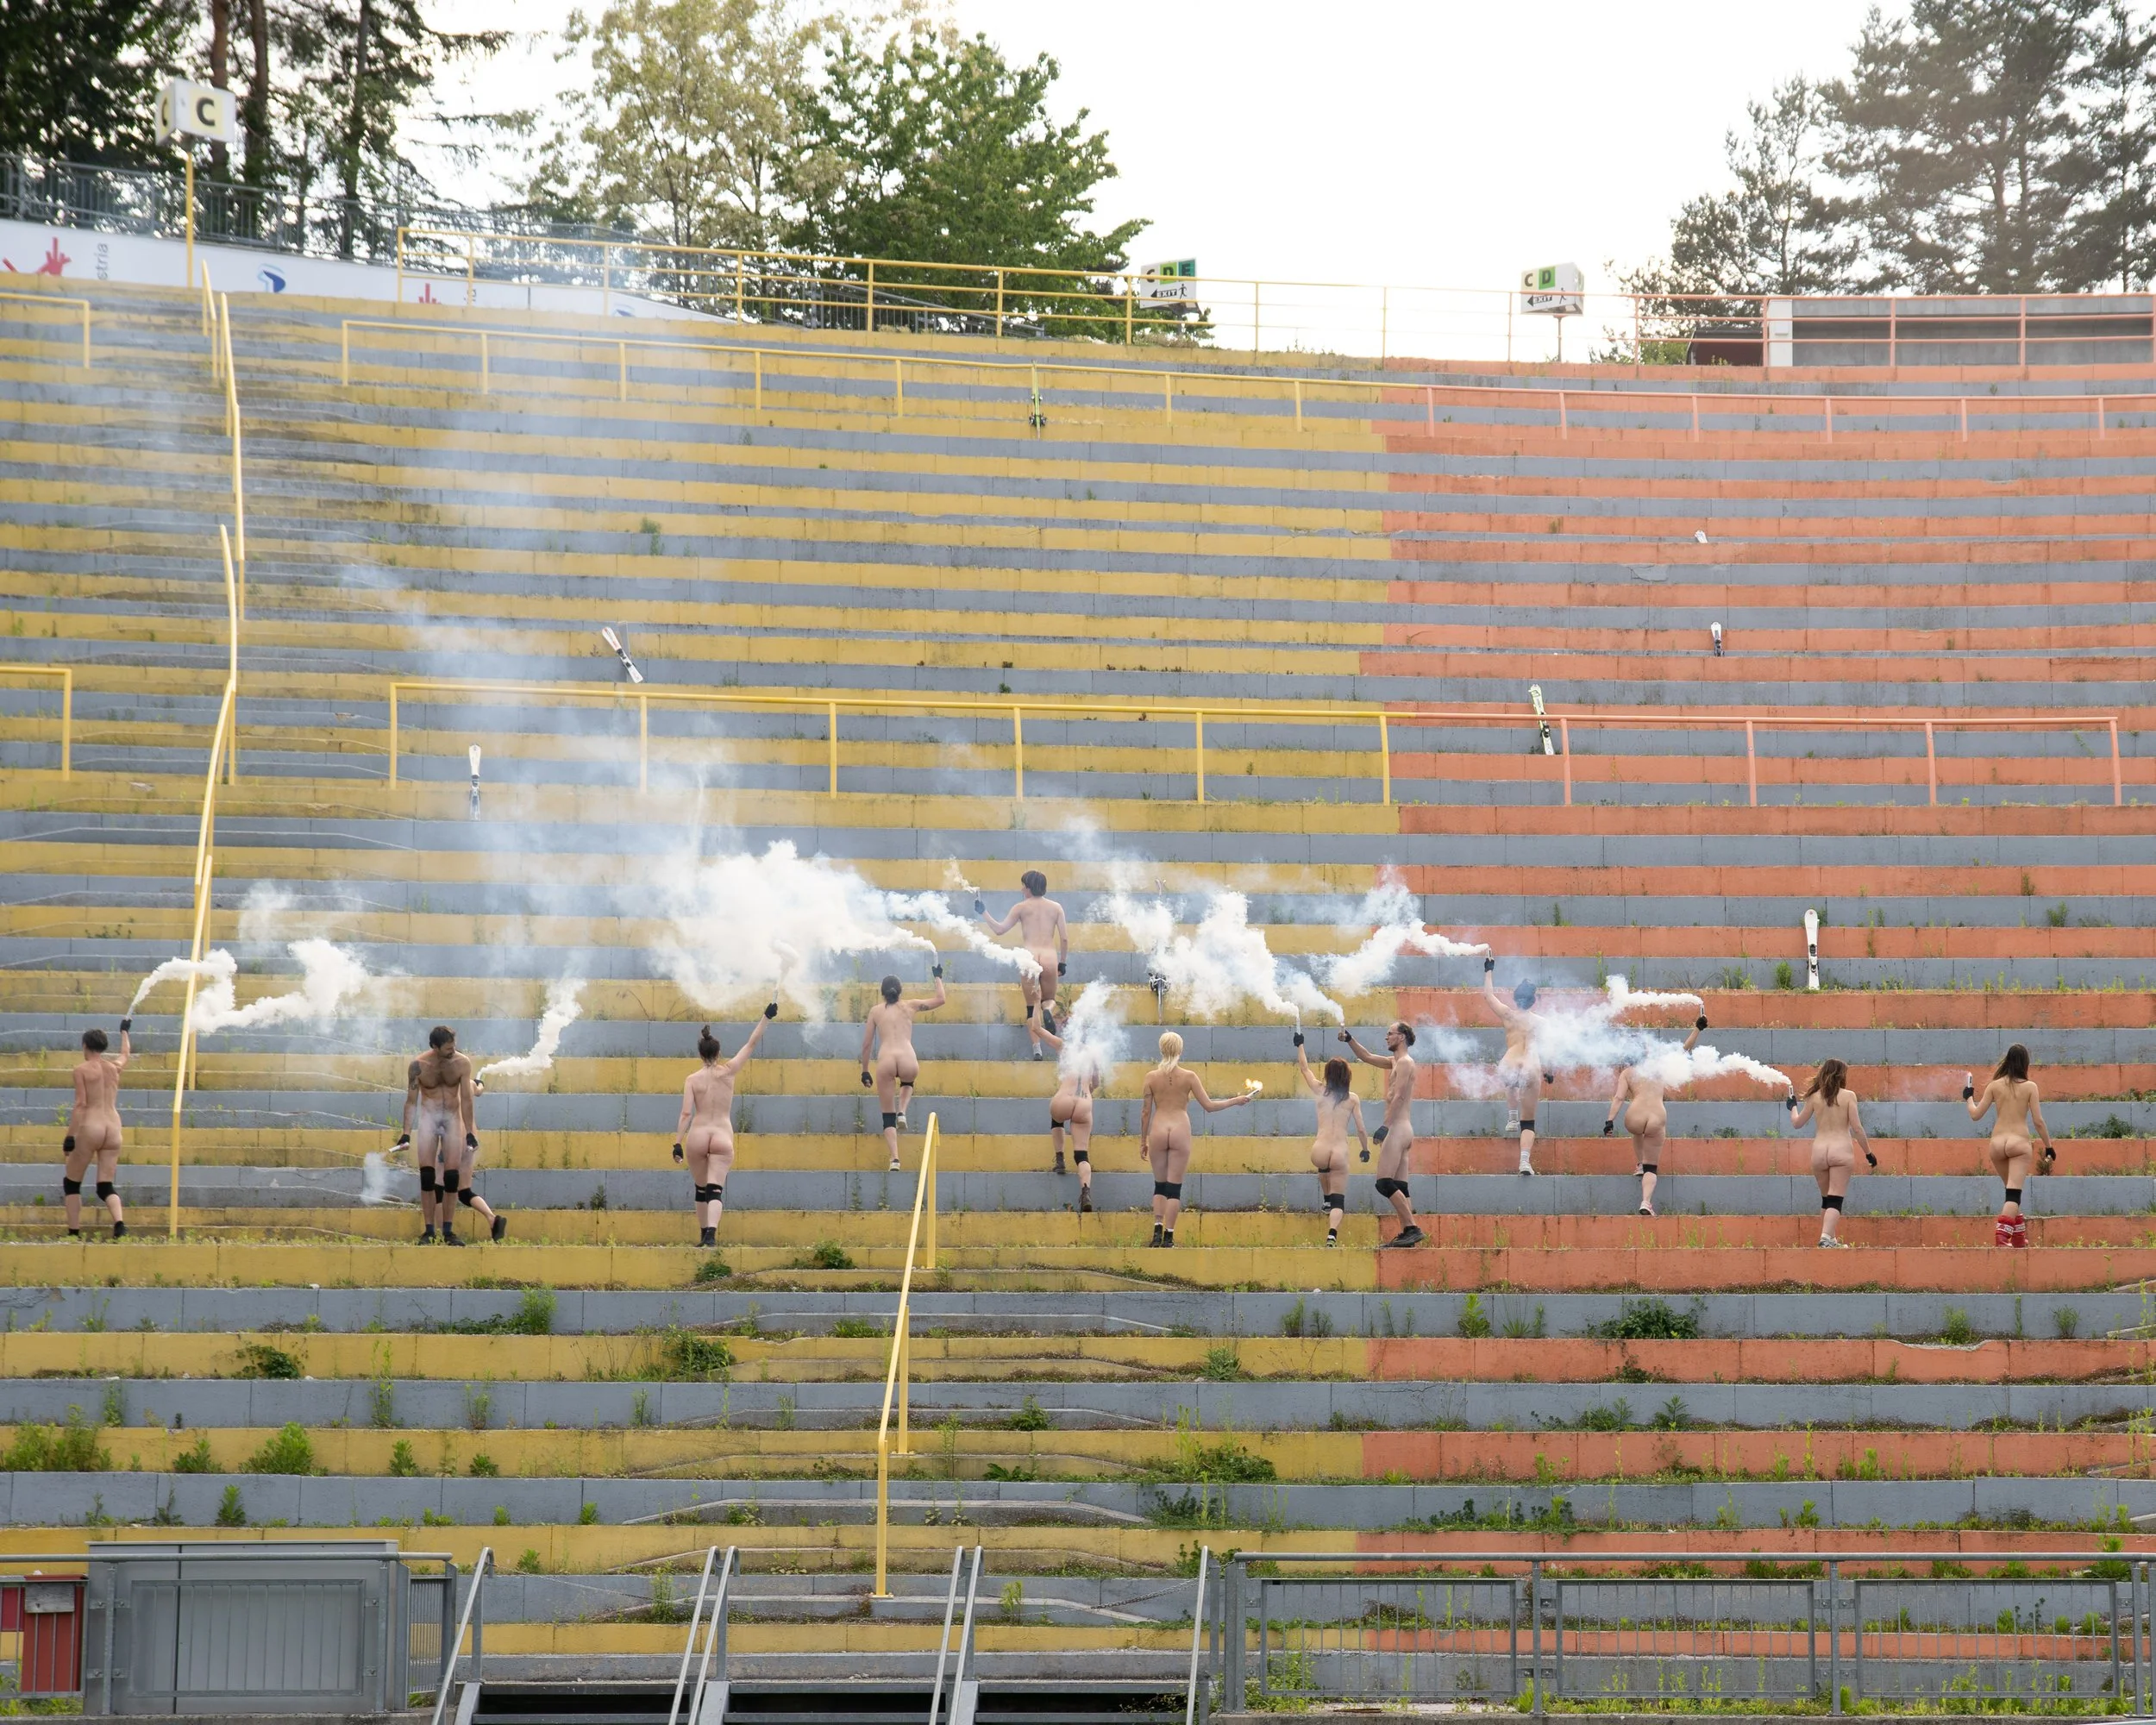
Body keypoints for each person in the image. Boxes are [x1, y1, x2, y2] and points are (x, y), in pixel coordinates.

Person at [674, 1003, 778, 1248]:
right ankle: (711, 1235)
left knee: (701, 1190)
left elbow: (686, 1112)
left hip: (698, 1135)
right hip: (722, 1134)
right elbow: (751, 1044)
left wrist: (677, 1143)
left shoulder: (692, 1080)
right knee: (714, 1190)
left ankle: (703, 1235)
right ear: (718, 1053)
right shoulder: (729, 1072)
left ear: (700, 1055)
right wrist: (766, 1017)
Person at [1138, 1031, 1253, 1246]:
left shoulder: (1151, 1077)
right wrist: (1236, 1100)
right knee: (1174, 1188)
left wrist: (1143, 1141)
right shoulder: (1189, 1077)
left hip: (1159, 1129)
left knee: (1159, 1186)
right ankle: (1169, 1237)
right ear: (1180, 1050)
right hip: (1180, 1128)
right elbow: (1209, 1106)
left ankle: (1157, 1232)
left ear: (1162, 1049)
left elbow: (1145, 1113)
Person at [395, 1026, 502, 1245]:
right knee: (427, 1177)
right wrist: (405, 1134)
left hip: (452, 1121)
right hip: (429, 1120)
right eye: (448, 1049)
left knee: (452, 1178)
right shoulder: (418, 1066)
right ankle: (428, 1231)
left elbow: (468, 1098)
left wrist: (470, 1132)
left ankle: (448, 1232)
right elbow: (411, 1101)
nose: (453, 1051)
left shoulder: (462, 1063)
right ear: (434, 1047)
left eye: (454, 1047)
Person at [1604, 1013, 1707, 1217]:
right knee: (1652, 1167)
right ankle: (1646, 1202)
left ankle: (1639, 1163)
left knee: (1637, 1131)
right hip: (1657, 1117)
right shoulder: (1659, 1065)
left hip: (1634, 1115)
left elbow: (1618, 1098)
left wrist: (1609, 1121)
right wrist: (1698, 1029)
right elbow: (1684, 1049)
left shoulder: (1627, 1072)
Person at [1338, 1022, 1427, 1248]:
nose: (1386, 1037)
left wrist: (1384, 1127)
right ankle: (1409, 1232)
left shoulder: (1406, 1063)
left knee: (1384, 1183)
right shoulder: (1394, 1062)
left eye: (1390, 1034)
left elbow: (1398, 1098)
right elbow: (1367, 1056)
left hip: (1397, 1128)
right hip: (1403, 1129)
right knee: (1400, 1185)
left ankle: (1412, 1228)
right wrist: (1350, 1039)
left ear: (1402, 1037)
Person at [1965, 1044, 2054, 1249]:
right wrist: (2049, 1146)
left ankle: (2018, 1238)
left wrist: (1968, 1096)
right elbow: (2039, 1122)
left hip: (1996, 1145)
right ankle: (2002, 1237)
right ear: (2025, 1062)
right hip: (2019, 1144)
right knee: (2013, 1195)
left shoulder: (1994, 1085)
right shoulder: (2030, 1087)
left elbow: (1975, 1114)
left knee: (2011, 1194)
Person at [862, 963, 947, 1171]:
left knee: (886, 1115)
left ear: (882, 993)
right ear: (900, 991)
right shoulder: (911, 1005)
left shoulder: (875, 1011)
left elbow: (866, 1045)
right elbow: (941, 999)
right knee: (908, 1082)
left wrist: (865, 1070)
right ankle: (903, 1111)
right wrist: (937, 977)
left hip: (886, 1060)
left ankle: (895, 1159)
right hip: (908, 1058)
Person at [1787, 1058, 1876, 1248]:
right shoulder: (1849, 1096)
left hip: (1819, 1152)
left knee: (1827, 1199)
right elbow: (1857, 1129)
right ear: (1841, 1075)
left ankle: (1831, 1239)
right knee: (1836, 1198)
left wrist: (1792, 1106)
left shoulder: (1813, 1097)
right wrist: (1869, 1153)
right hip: (1841, 1151)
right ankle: (1826, 1238)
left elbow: (1797, 1123)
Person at [978, 871, 1068, 1057]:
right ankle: (1048, 1011)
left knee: (1031, 1006)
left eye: (1023, 886)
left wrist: (983, 912)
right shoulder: (1056, 907)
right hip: (1050, 956)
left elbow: (1000, 930)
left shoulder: (1020, 907)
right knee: (1048, 999)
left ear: (1029, 887)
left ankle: (1037, 1049)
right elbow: (1064, 938)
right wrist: (1062, 963)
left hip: (1029, 958)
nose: (1021, 889)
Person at [1295, 1032, 1371, 1247]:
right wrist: (1365, 1149)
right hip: (1340, 1152)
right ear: (1348, 1076)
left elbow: (1305, 1069)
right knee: (1340, 1198)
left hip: (1319, 1150)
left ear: (1328, 1074)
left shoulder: (1320, 1090)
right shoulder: (1352, 1099)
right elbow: (1361, 1129)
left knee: (1323, 1167)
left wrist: (1300, 1044)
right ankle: (1331, 1235)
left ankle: (1325, 1198)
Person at [65, 1019, 130, 1239]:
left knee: (71, 1183)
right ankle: (120, 1224)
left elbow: (81, 1104)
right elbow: (124, 1055)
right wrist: (124, 1032)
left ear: (85, 1045)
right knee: (105, 1186)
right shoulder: (114, 1068)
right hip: (113, 1128)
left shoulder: (81, 1070)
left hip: (92, 1126)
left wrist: (70, 1136)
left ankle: (74, 1232)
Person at [1482, 957, 1547, 1176]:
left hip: (1509, 1061)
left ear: (1515, 998)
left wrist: (1489, 970)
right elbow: (1552, 1049)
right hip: (1531, 1065)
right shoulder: (1541, 1023)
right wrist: (1550, 1072)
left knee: (1511, 1081)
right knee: (1528, 1123)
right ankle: (1524, 1162)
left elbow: (1488, 996)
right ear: (1533, 1001)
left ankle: (1511, 1117)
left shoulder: (1508, 1015)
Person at [1035, 1017, 1102, 1213]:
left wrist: (1037, 1002)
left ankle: (1060, 1159)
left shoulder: (1065, 1046)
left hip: (1065, 1097)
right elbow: (1096, 1084)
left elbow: (1037, 1028)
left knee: (1057, 1119)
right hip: (1084, 1102)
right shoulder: (1093, 1055)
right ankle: (1086, 1192)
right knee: (1082, 1154)